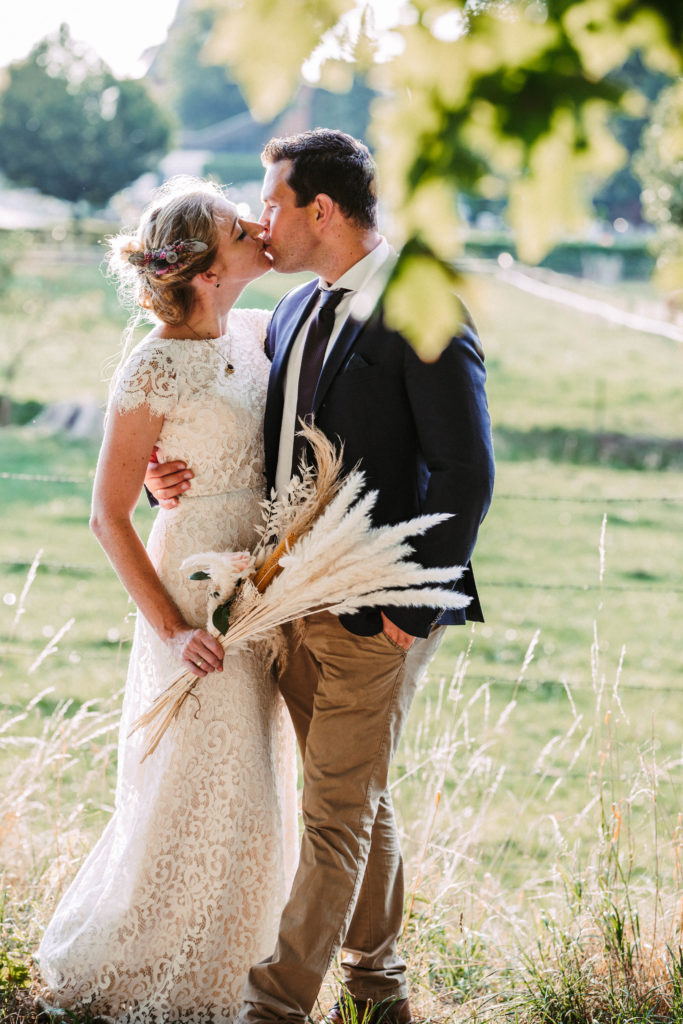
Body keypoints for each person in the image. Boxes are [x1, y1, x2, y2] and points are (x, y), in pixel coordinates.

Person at [146, 130, 495, 1024]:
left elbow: (466, 473)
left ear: (321, 211)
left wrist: (405, 614)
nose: (262, 219)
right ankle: (382, 994)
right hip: (287, 606)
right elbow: (227, 412)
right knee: (354, 799)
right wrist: (163, 470)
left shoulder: (424, 310)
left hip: (376, 610)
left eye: (272, 202)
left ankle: (275, 1008)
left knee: (333, 815)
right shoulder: (295, 309)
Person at [38, 178, 299, 1024]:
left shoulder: (261, 333)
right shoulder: (151, 360)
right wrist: (171, 629)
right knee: (190, 784)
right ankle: (146, 969)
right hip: (190, 596)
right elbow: (106, 515)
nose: (258, 225)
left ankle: (237, 974)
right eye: (237, 224)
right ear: (200, 262)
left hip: (257, 590)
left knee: (253, 791)